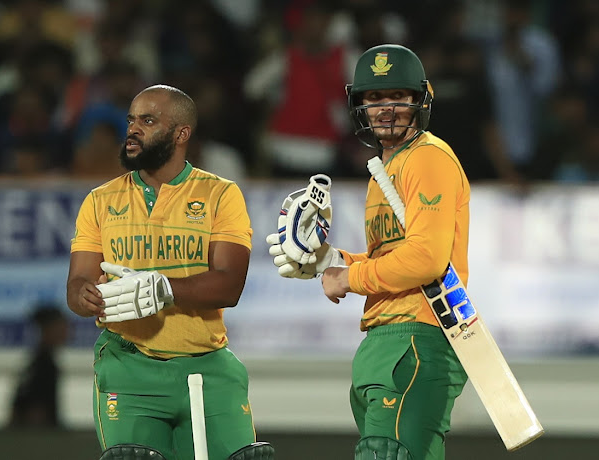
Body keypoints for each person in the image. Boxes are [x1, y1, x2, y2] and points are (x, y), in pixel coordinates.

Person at [269, 45, 470, 459]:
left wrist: (351, 278)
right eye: (374, 98)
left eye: (398, 96)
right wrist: (329, 260)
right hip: (385, 338)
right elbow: (391, 256)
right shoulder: (384, 169)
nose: (386, 108)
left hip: (416, 334)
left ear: (421, 99)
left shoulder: (427, 158)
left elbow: (427, 259)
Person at [66, 85, 273, 460]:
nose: (133, 129)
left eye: (147, 120)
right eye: (131, 119)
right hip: (128, 366)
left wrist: (163, 287)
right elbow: (77, 284)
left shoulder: (220, 195)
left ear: (181, 134)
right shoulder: (99, 200)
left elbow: (229, 285)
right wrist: (85, 295)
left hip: (207, 367)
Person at [8, 302, 69, 428]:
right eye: (61, 326)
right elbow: (35, 410)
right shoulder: (43, 365)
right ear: (47, 329)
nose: (66, 331)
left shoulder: (39, 361)